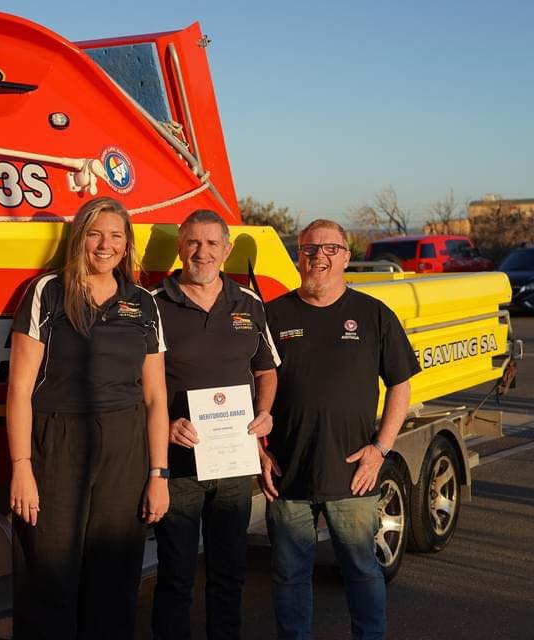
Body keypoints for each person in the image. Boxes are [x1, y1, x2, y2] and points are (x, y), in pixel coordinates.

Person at [7, 197, 171, 639]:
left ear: (127, 244)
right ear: (80, 239)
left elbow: (156, 396)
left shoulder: (143, 303)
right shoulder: (49, 292)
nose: (105, 245)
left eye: (116, 235)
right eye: (95, 234)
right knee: (50, 576)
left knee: (115, 578)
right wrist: (22, 467)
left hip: (125, 443)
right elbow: (19, 389)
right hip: (57, 441)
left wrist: (159, 474)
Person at [260, 219, 420, 640]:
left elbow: (401, 384)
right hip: (286, 473)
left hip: (353, 473)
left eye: (331, 249)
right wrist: (258, 450)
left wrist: (380, 448)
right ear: (299, 256)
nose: (319, 258)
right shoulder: (273, 315)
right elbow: (249, 387)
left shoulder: (372, 315)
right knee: (290, 575)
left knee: (363, 571)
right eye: (310, 249)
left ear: (347, 257)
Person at [150, 210, 280, 640]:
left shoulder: (249, 303)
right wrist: (166, 424)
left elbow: (266, 371)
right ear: (179, 247)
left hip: (233, 466)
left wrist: (264, 414)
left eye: (211, 244)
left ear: (226, 250)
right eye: (192, 243)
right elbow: (133, 382)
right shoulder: (152, 304)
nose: (201, 253)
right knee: (176, 576)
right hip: (178, 467)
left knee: (229, 574)